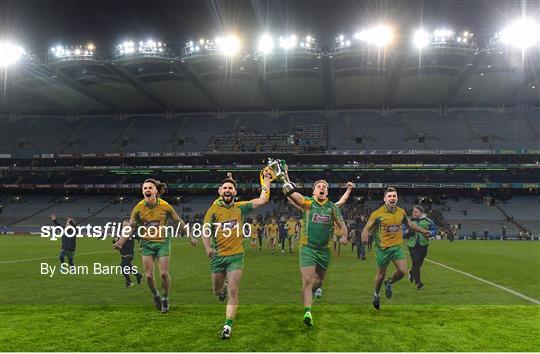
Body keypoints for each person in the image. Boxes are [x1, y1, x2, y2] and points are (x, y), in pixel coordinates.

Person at [202, 169, 273, 339]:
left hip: (236, 255)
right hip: (218, 256)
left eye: (230, 188)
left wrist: (267, 180)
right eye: (224, 188)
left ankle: (227, 326)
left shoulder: (240, 208)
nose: (227, 190)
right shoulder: (212, 210)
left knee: (234, 290)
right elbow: (205, 231)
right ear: (220, 191)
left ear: (235, 192)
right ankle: (222, 289)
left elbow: (263, 199)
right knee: (217, 290)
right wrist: (207, 248)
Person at [113, 178, 196, 314]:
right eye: (145, 188)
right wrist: (121, 242)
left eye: (150, 188)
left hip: (162, 242)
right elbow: (131, 226)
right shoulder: (138, 208)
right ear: (142, 191)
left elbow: (179, 221)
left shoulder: (165, 206)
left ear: (156, 191)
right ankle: (156, 295)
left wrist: (190, 236)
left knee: (163, 273)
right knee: (149, 276)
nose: (147, 190)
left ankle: (165, 298)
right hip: (146, 244)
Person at [284, 174, 348, 328]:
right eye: (319, 186)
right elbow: (293, 194)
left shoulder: (332, 207)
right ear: (313, 192)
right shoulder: (308, 202)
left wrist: (344, 236)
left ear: (327, 192)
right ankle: (307, 312)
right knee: (307, 280)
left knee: (318, 281)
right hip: (307, 248)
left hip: (324, 251)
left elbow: (342, 225)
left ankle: (316, 289)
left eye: (324, 187)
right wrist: (284, 177)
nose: (322, 188)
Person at [361, 187, 431, 310]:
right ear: (384, 199)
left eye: (394, 196)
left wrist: (423, 231)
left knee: (403, 271)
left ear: (397, 198)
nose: (392, 198)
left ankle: (389, 283)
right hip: (382, 249)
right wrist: (364, 237)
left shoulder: (401, 212)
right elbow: (366, 228)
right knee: (380, 275)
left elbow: (409, 224)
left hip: (397, 247)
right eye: (389, 196)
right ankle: (376, 294)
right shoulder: (377, 214)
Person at [406, 206, 437, 290]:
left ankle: (412, 272)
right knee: (416, 261)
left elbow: (434, 229)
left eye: (416, 211)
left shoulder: (428, 221)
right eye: (413, 211)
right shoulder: (408, 221)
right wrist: (406, 232)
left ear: (421, 213)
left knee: (419, 263)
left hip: (424, 244)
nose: (414, 213)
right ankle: (418, 282)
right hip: (412, 245)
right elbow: (402, 230)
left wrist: (430, 233)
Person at [112, 219, 143, 288]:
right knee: (129, 267)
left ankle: (129, 282)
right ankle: (138, 275)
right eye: (124, 225)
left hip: (129, 255)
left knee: (122, 266)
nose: (125, 227)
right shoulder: (120, 235)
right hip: (122, 255)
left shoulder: (132, 235)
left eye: (127, 225)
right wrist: (115, 241)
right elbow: (114, 243)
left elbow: (140, 238)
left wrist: (141, 247)